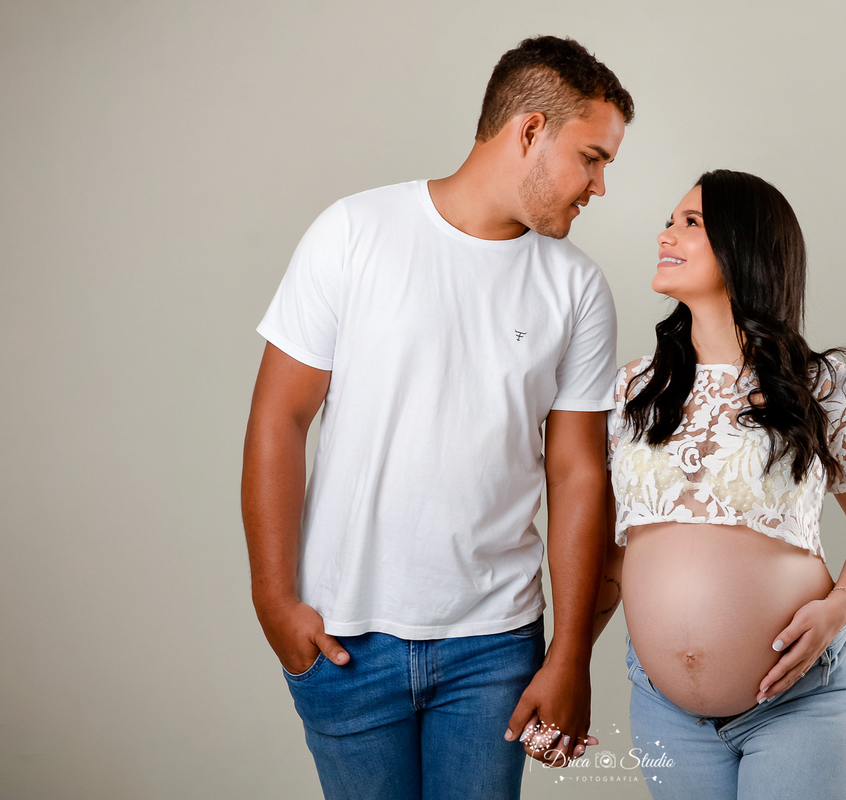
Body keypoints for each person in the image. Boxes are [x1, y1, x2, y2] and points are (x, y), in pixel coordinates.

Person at [241, 36, 634, 799]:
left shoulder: (577, 287)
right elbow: (279, 419)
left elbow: (580, 473)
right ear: (529, 132)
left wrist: (570, 655)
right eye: (592, 157)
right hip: (344, 636)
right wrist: (273, 601)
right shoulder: (354, 233)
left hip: (495, 649)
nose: (599, 185)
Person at [592, 170, 846, 799]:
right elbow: (616, 553)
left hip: (800, 704)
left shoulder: (822, 387)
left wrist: (837, 608)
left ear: (745, 247)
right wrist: (567, 663)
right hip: (665, 713)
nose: (666, 233)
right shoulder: (633, 392)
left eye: (691, 223)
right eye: (670, 219)